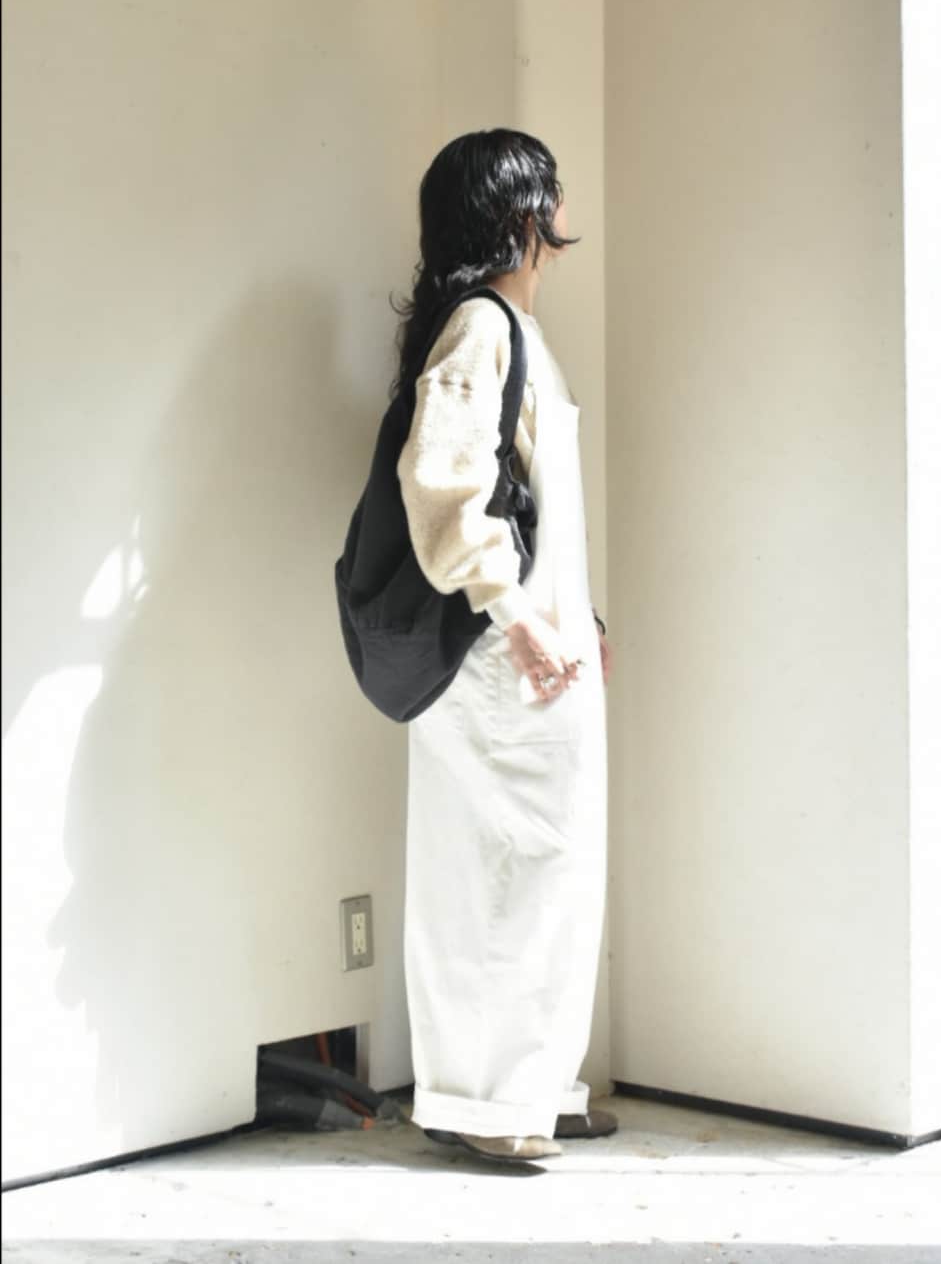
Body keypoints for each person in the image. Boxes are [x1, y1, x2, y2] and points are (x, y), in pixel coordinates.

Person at [392, 129, 614, 1165]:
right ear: (521, 214)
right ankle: (484, 1104)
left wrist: (576, 616)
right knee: (499, 874)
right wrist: (517, 614)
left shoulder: (513, 327)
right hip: (496, 652)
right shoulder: (482, 324)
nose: (560, 212)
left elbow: (531, 500)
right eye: (549, 195)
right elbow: (442, 480)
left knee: (542, 870)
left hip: (531, 640)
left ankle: (529, 1086)